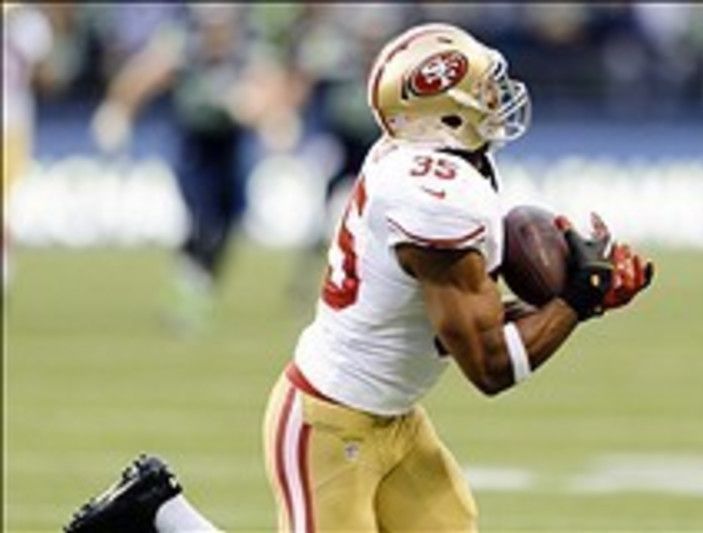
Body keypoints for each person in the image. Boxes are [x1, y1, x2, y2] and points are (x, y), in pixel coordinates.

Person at [64, 22, 654, 533]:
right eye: (480, 91)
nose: (496, 99)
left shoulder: (438, 169)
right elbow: (489, 366)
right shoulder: (434, 197)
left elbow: (467, 320)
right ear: (441, 113)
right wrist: (576, 298)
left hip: (394, 418)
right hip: (329, 421)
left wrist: (588, 298)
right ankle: (158, 517)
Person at [90, 4, 304, 332]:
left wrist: (273, 117)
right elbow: (143, 75)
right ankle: (189, 289)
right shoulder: (182, 42)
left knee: (232, 216)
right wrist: (118, 109)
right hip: (195, 144)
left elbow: (269, 84)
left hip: (230, 144)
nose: (216, 32)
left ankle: (198, 283)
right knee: (201, 217)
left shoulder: (247, 45)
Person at [2, 3, 54, 289]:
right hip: (14, 125)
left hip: (13, 126)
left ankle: (4, 268)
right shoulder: (33, 24)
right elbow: (47, 77)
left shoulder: (32, 24)